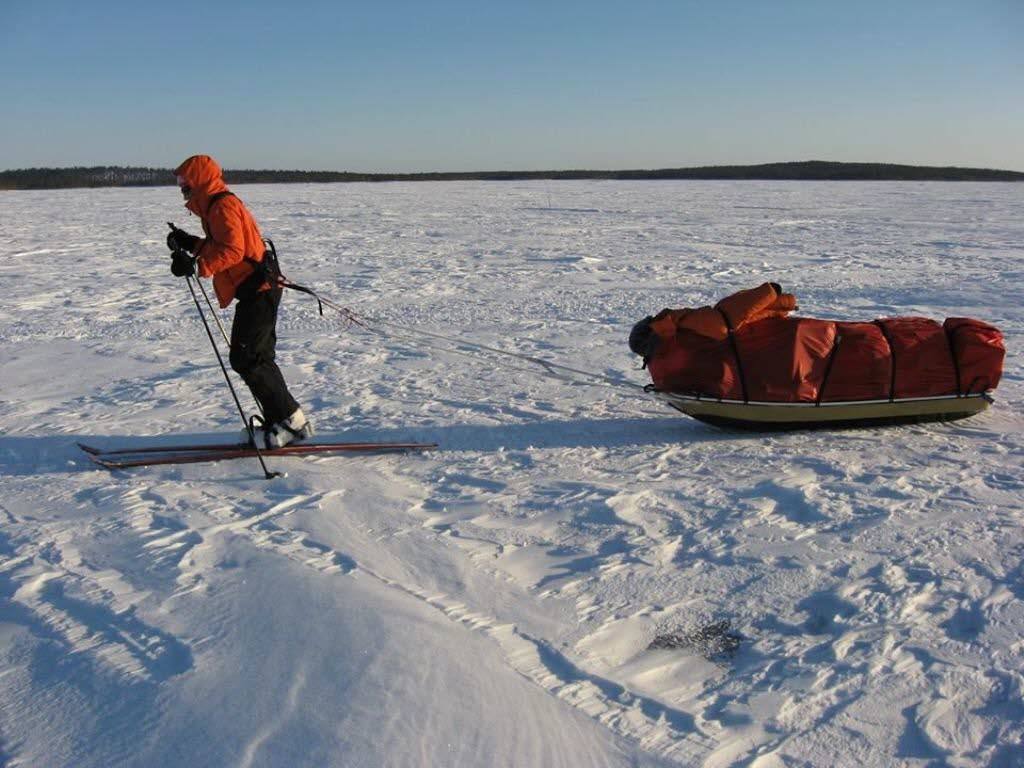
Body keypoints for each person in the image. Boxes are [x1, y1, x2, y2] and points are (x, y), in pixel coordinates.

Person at [166, 154, 313, 448]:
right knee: (254, 358)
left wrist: (197, 266)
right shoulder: (214, 207)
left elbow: (233, 250)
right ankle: (282, 421)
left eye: (186, 182)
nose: (182, 188)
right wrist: (189, 243)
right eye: (180, 183)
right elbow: (222, 244)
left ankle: (291, 422)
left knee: (249, 358)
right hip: (256, 290)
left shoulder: (222, 205)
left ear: (201, 180)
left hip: (260, 289)